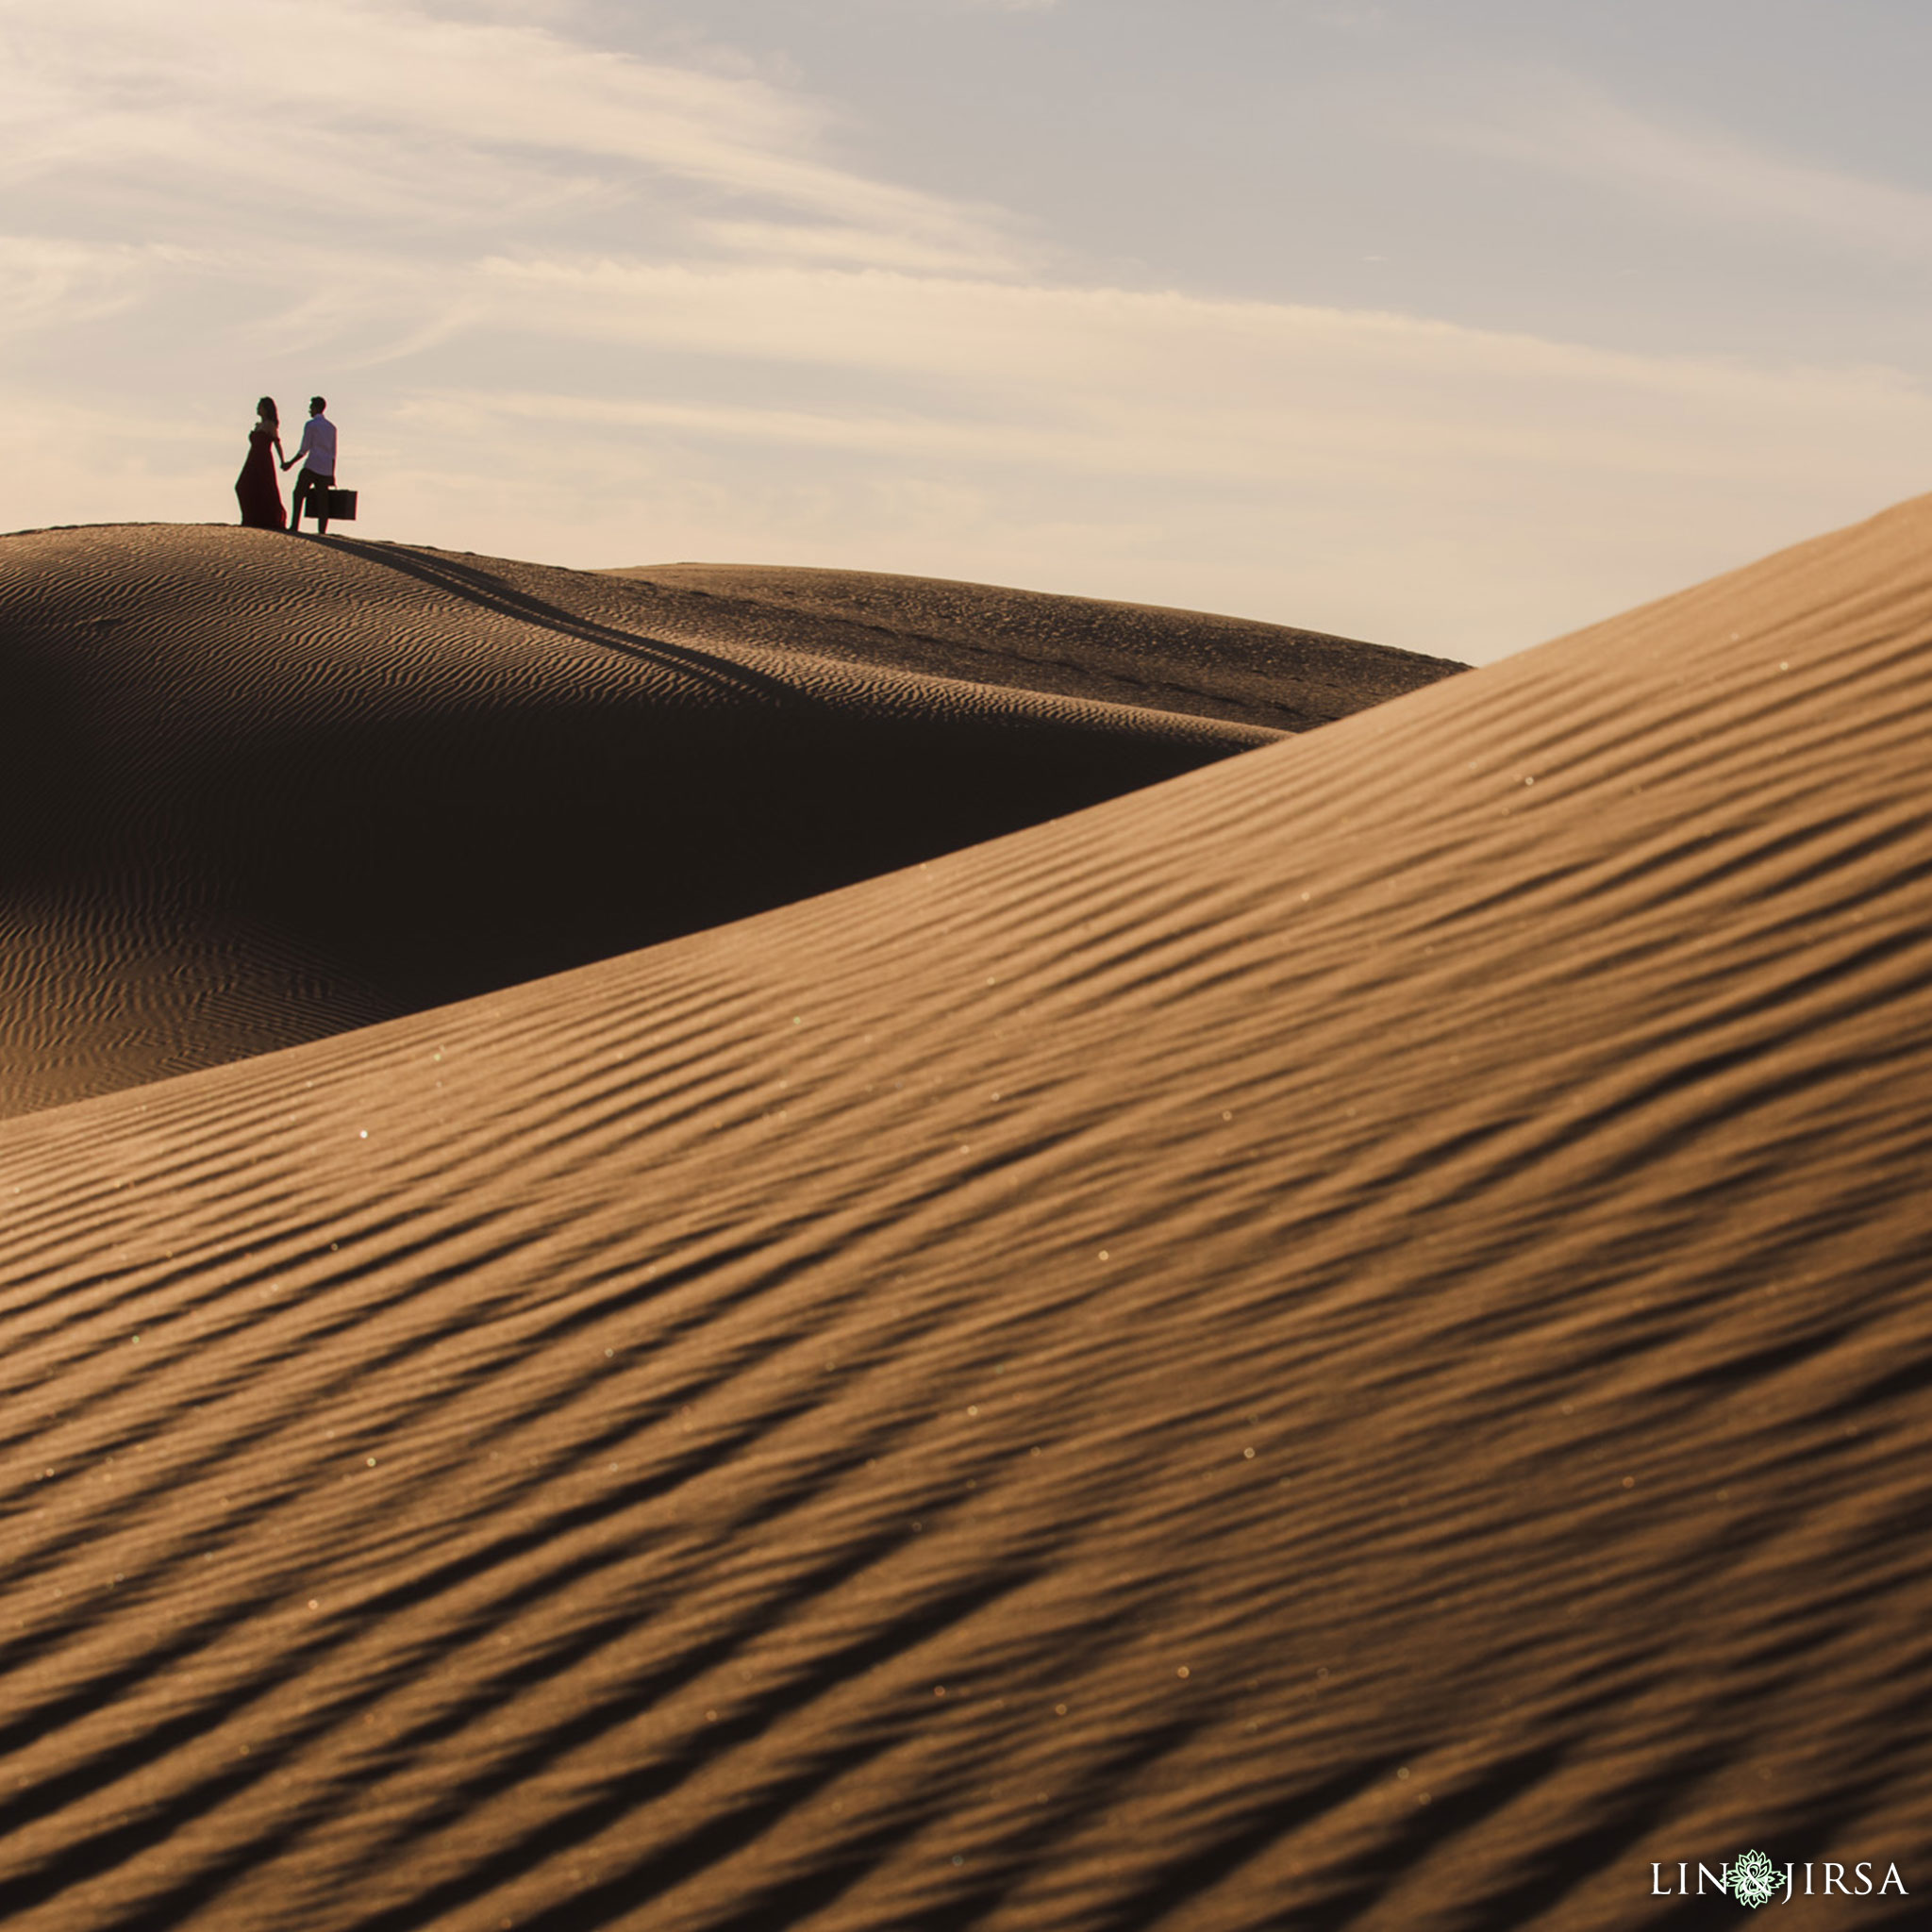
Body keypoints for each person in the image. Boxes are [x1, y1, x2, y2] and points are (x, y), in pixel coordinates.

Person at [283, 395, 339, 535]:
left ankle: (294, 525)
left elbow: (304, 449)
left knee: (298, 493)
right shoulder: (331, 427)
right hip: (326, 468)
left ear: (316, 408)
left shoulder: (311, 425)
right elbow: (333, 453)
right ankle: (322, 531)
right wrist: (332, 473)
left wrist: (290, 463)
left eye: (311, 407)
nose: (309, 410)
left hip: (312, 464)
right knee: (323, 501)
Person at [235, 397, 287, 530]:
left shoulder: (270, 425)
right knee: (242, 486)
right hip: (252, 459)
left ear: (266, 409)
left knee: (265, 489)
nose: (258, 408)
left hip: (263, 460)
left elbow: (277, 443)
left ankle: (262, 520)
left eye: (260, 406)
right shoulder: (258, 425)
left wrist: (283, 461)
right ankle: (249, 518)